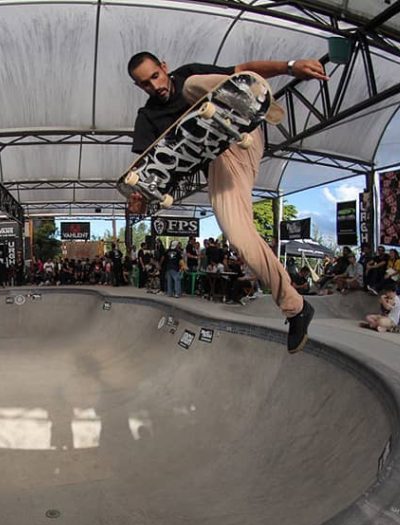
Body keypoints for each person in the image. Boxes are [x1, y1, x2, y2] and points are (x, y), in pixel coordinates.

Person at [128, 52, 325, 351]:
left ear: (163, 68)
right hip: (222, 165)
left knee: (192, 86)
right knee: (241, 239)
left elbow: (242, 70)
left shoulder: (186, 72)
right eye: (144, 84)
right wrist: (139, 199)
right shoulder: (147, 118)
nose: (154, 87)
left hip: (241, 135)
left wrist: (290, 68)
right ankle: (296, 308)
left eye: (155, 76)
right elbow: (147, 169)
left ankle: (254, 103)